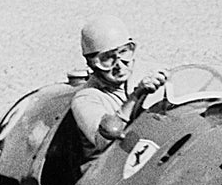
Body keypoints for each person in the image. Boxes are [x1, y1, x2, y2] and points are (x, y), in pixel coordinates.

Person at [70, 16, 167, 170]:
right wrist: (136, 96)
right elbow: (104, 140)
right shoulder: (86, 98)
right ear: (91, 63)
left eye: (124, 52)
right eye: (107, 58)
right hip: (111, 172)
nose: (120, 65)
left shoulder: (150, 71)